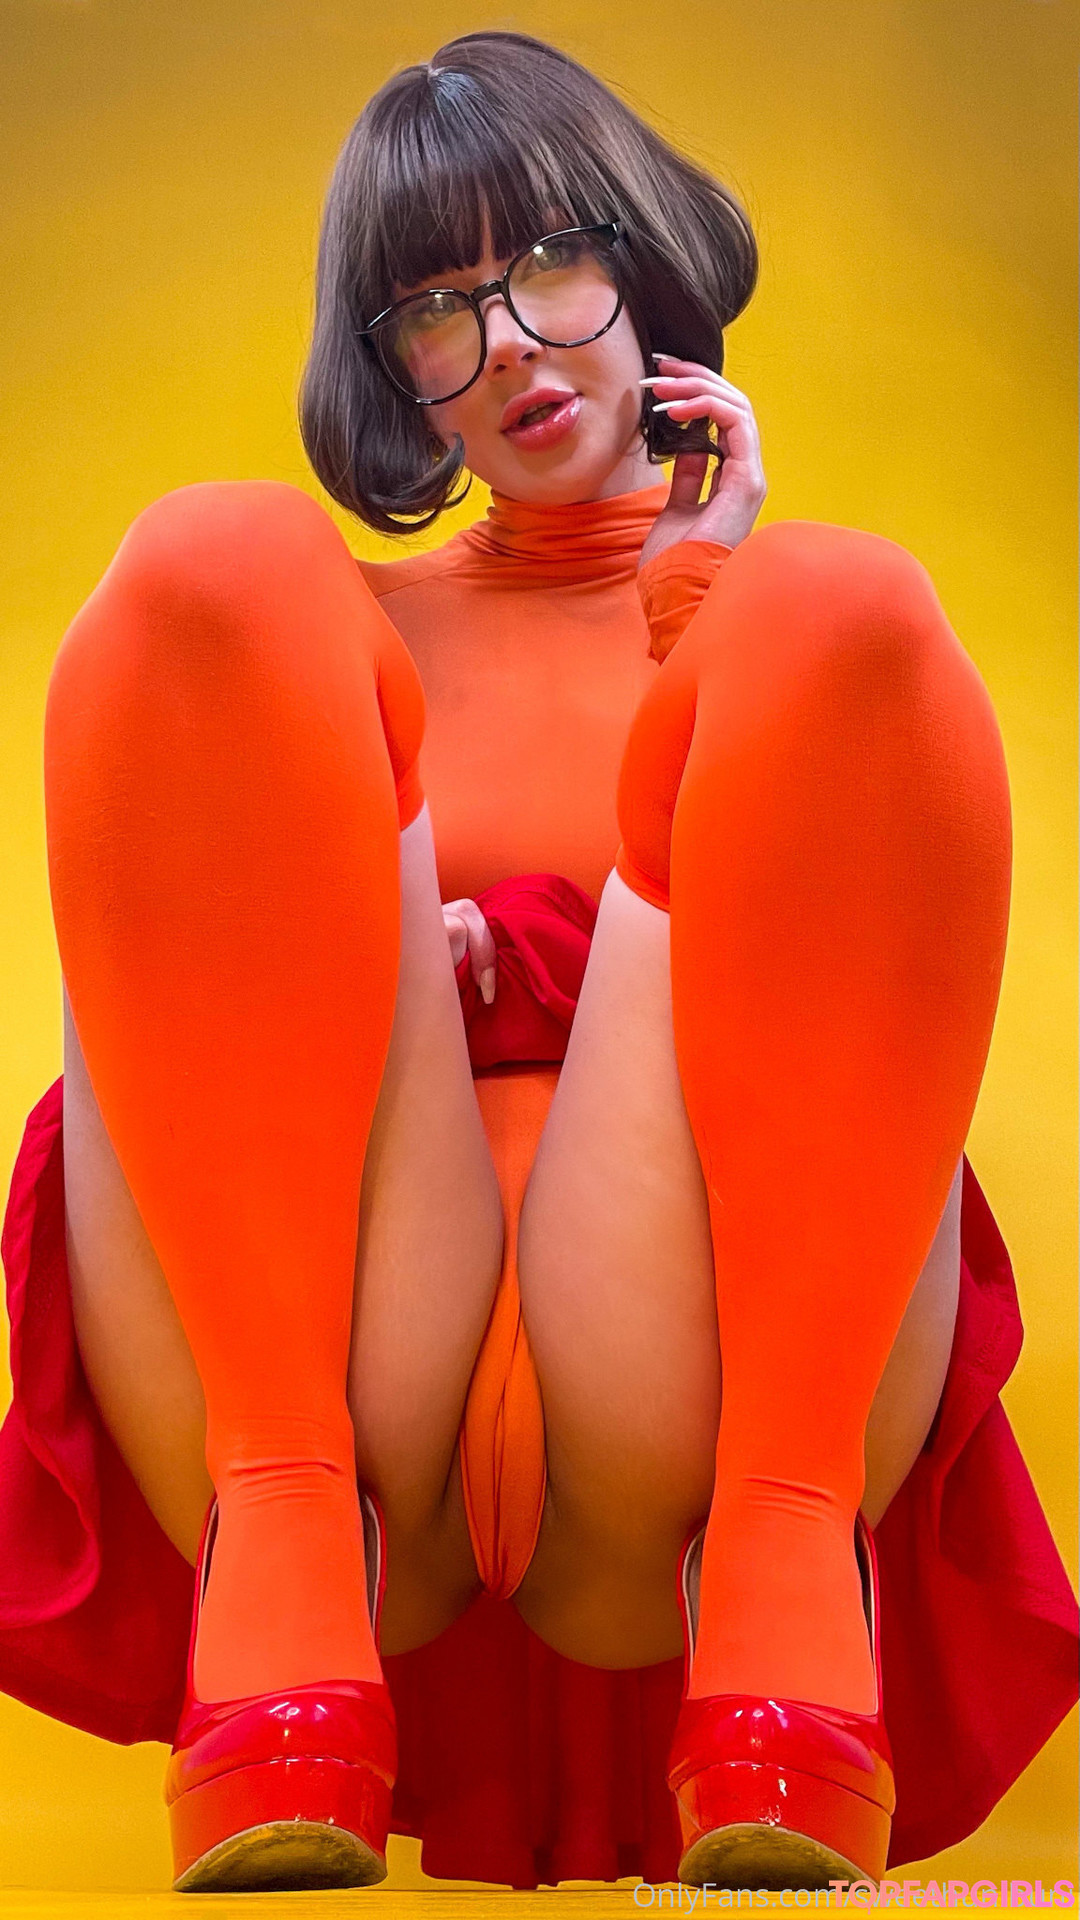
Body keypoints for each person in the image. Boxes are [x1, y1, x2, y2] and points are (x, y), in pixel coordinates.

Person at [1, 27, 1077, 1899]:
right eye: (437, 308)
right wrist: (353, 943)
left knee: (847, 602)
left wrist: (705, 599)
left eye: (552, 264)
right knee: (202, 566)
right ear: (397, 375)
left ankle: (776, 1564)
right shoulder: (309, 645)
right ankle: (284, 1553)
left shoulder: (749, 634)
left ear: (642, 271)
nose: (507, 343)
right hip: (330, 1370)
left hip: (683, 1391)